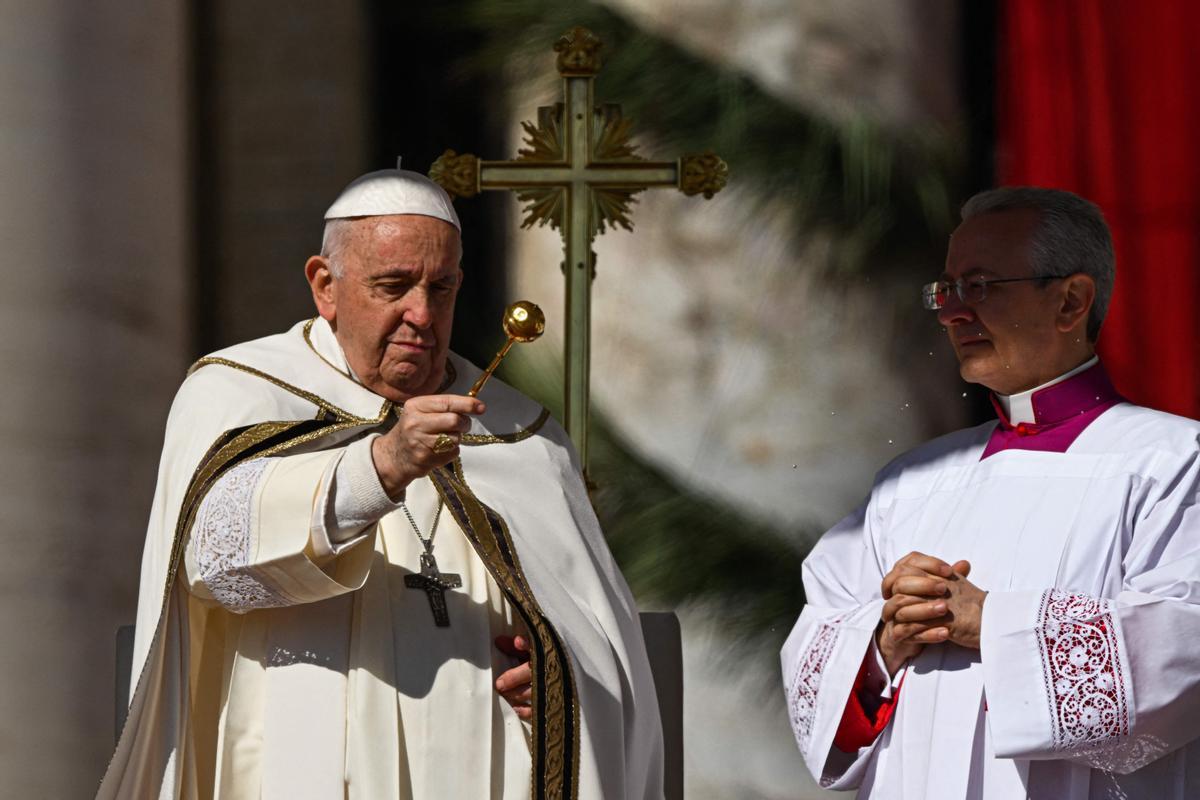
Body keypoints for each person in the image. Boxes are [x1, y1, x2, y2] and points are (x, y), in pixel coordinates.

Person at [100, 167, 664, 799]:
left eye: (441, 288)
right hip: (303, 762)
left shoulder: (523, 434)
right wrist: (381, 468)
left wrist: (561, 676)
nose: (421, 315)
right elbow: (214, 559)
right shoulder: (238, 392)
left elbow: (604, 635)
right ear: (325, 285)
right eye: (393, 286)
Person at [780, 186, 1200, 798]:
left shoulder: (1172, 462)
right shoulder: (909, 484)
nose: (952, 313)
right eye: (946, 291)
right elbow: (821, 653)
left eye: (978, 288)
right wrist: (884, 642)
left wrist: (993, 621)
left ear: (1070, 301)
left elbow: (1184, 641)